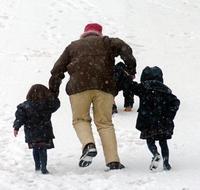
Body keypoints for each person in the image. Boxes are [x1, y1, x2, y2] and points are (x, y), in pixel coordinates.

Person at [48, 23, 136, 170]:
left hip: (78, 87)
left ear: (84, 34)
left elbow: (57, 70)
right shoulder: (107, 42)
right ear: (99, 34)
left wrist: (53, 92)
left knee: (80, 119)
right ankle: (113, 161)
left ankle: (88, 145)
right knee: (105, 124)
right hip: (105, 87)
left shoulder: (73, 46)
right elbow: (124, 48)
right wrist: (130, 68)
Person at [130, 66, 180, 171]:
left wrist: (129, 78)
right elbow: (175, 102)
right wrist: (169, 115)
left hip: (148, 121)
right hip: (163, 121)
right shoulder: (165, 90)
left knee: (150, 140)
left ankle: (155, 154)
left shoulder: (143, 87)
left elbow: (132, 87)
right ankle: (166, 162)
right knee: (163, 141)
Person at [13, 84, 60, 174]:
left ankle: (37, 166)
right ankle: (44, 168)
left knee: (35, 149)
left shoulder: (24, 106)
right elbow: (57, 104)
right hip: (44, 131)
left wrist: (16, 127)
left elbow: (20, 118)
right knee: (43, 149)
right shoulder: (47, 105)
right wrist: (53, 95)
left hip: (31, 132)